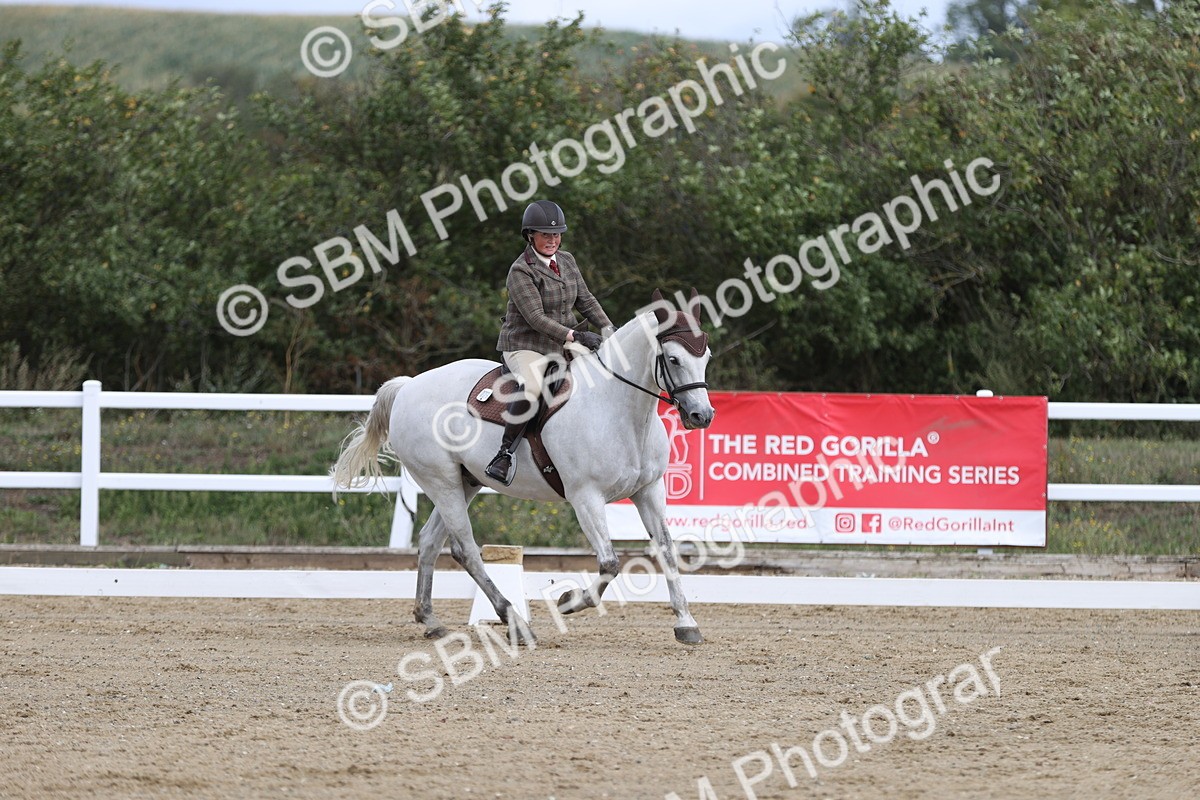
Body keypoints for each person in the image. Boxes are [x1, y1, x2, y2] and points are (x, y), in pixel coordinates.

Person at [484, 199, 615, 485]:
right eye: (545, 234)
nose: (552, 240)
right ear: (530, 235)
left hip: (561, 343)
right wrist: (576, 336)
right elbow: (535, 318)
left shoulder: (567, 261)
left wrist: (609, 330)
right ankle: (504, 454)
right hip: (525, 344)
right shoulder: (520, 271)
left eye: (556, 234)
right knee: (533, 385)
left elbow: (586, 300)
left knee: (603, 370)